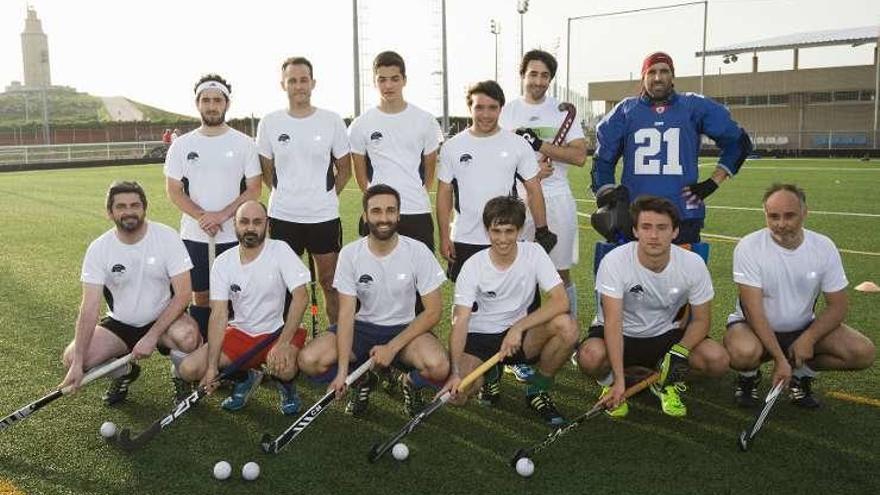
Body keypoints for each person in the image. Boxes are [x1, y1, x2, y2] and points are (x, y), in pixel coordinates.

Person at [437, 79, 557, 405]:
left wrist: (542, 229)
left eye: (492, 107)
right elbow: (445, 193)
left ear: (501, 109)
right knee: (474, 312)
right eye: (479, 107)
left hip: (509, 236)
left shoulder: (516, 144)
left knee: (521, 307)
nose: (486, 113)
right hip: (468, 239)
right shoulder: (453, 146)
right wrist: (444, 234)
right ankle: (484, 371)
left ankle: (515, 364)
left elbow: (533, 188)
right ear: (470, 107)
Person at [297, 185, 449, 418]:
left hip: (406, 331)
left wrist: (391, 348)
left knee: (439, 366)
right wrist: (342, 373)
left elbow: (433, 312)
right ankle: (362, 380)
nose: (384, 218)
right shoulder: (350, 254)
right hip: (362, 329)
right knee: (309, 360)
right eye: (376, 211)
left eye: (390, 211)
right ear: (365, 216)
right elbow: (346, 313)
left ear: (399, 214)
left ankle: (410, 382)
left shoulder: (417, 251)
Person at [576, 195, 729, 418]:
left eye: (662, 228)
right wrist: (619, 381)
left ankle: (665, 381)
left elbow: (702, 320)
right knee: (590, 356)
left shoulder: (692, 263)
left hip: (667, 335)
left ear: (675, 231)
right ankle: (610, 382)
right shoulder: (615, 261)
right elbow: (613, 322)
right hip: (622, 334)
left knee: (717, 360)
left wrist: (679, 351)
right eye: (646, 227)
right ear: (636, 231)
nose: (654, 236)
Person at [724, 184, 875, 408]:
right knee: (743, 353)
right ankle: (749, 378)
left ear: (805, 213)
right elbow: (753, 311)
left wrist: (808, 338)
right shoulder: (749, 247)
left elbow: (838, 306)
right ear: (765, 214)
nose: (781, 224)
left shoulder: (824, 246)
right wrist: (778, 358)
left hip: (802, 328)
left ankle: (802, 375)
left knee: (862, 352)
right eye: (773, 216)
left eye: (790, 216)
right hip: (752, 328)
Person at [439, 195, 576, 426]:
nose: (502, 239)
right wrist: (454, 372)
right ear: (487, 230)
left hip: (521, 336)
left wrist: (518, 327)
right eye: (496, 231)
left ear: (520, 230)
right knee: (460, 395)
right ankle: (491, 373)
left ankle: (537, 391)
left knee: (568, 326)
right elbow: (461, 321)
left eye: (509, 231)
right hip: (480, 336)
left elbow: (561, 301)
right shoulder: (473, 266)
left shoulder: (533, 253)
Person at [60, 181, 201, 406]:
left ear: (144, 208)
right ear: (110, 212)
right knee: (72, 357)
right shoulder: (99, 249)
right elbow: (89, 309)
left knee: (189, 336)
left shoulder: (166, 237)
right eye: (121, 206)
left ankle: (180, 376)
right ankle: (124, 372)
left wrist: (152, 336)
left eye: (135, 205)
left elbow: (184, 295)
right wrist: (78, 364)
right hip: (121, 324)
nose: (129, 211)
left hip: (164, 318)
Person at [591, 51, 753, 245]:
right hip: (637, 216)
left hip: (683, 213)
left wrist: (712, 182)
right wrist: (609, 197)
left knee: (684, 274)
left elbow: (738, 142)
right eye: (651, 72)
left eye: (664, 71)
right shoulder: (626, 110)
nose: (658, 78)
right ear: (643, 77)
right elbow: (603, 160)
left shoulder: (693, 106)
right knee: (634, 275)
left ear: (672, 75)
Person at [500, 49, 588, 382]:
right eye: (532, 74)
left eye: (544, 76)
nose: (538, 81)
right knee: (519, 273)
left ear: (550, 79)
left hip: (557, 198)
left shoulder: (562, 111)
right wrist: (528, 169)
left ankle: (571, 339)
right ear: (522, 74)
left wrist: (542, 146)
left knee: (560, 272)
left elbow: (579, 156)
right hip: (518, 199)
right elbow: (498, 154)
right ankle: (518, 349)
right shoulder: (507, 112)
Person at [177, 201, 311, 415]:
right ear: (235, 225)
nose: (250, 227)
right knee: (189, 368)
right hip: (241, 331)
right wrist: (212, 368)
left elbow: (301, 297)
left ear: (267, 224)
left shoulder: (280, 250)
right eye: (244, 222)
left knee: (284, 369)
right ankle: (246, 377)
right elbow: (219, 315)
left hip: (277, 332)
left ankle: (287, 387)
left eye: (257, 222)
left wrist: (284, 343)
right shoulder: (223, 262)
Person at [164, 74, 262, 339]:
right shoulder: (182, 145)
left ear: (226, 103)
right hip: (195, 234)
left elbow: (254, 188)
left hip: (234, 233)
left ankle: (232, 350)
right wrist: (202, 216)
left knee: (234, 292)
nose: (211, 105)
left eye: (217, 100)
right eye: (205, 100)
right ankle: (204, 347)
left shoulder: (243, 143)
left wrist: (222, 215)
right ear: (197, 103)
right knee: (202, 294)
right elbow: (174, 190)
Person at [257, 56, 352, 324]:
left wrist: (326, 197)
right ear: (283, 85)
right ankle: (287, 343)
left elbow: (344, 168)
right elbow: (266, 169)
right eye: (292, 81)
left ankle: (335, 337)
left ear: (313, 83)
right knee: (284, 284)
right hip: (284, 216)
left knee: (330, 282)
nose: (299, 86)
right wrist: (288, 194)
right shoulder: (270, 122)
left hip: (323, 216)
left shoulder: (331, 120)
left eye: (303, 80)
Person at [348, 50, 442, 252]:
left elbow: (430, 168)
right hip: (378, 213)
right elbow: (360, 173)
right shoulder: (360, 124)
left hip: (416, 209)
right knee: (375, 276)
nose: (388, 85)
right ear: (375, 82)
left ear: (404, 80)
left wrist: (415, 192)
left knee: (420, 278)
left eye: (394, 79)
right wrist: (374, 201)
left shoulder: (425, 121)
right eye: (382, 80)